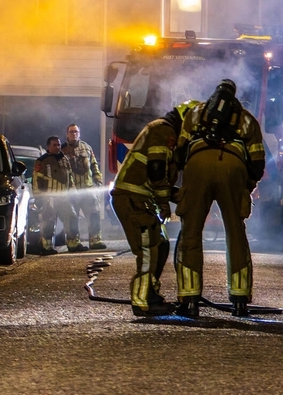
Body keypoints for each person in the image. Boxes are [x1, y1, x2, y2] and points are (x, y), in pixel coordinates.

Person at [174, 79, 265, 318]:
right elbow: (257, 162)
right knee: (236, 233)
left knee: (190, 232)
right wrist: (245, 186)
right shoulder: (246, 119)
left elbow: (180, 152)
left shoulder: (195, 113)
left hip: (197, 165)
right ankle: (239, 299)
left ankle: (189, 299)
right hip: (233, 167)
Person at [111, 101, 199, 316]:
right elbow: (157, 171)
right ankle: (142, 301)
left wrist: (187, 197)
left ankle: (150, 293)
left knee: (161, 245)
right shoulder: (163, 130)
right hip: (133, 198)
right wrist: (163, 204)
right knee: (148, 250)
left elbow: (162, 182)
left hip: (142, 198)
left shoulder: (167, 133)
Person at [34, 136, 87, 254]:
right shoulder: (42, 161)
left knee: (72, 217)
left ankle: (74, 244)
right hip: (49, 197)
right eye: (54, 145)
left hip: (64, 198)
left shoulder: (64, 158)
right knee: (48, 222)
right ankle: (46, 247)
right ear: (48, 146)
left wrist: (73, 192)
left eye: (58, 144)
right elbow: (37, 181)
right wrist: (38, 198)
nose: (58, 147)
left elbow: (70, 177)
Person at [63, 124, 107, 250]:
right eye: (71, 132)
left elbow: (94, 165)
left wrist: (98, 179)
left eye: (76, 131)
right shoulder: (62, 150)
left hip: (88, 188)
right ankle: (73, 243)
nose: (74, 134)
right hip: (72, 190)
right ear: (67, 134)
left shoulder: (87, 148)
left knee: (94, 213)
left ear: (79, 133)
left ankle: (95, 241)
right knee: (72, 217)